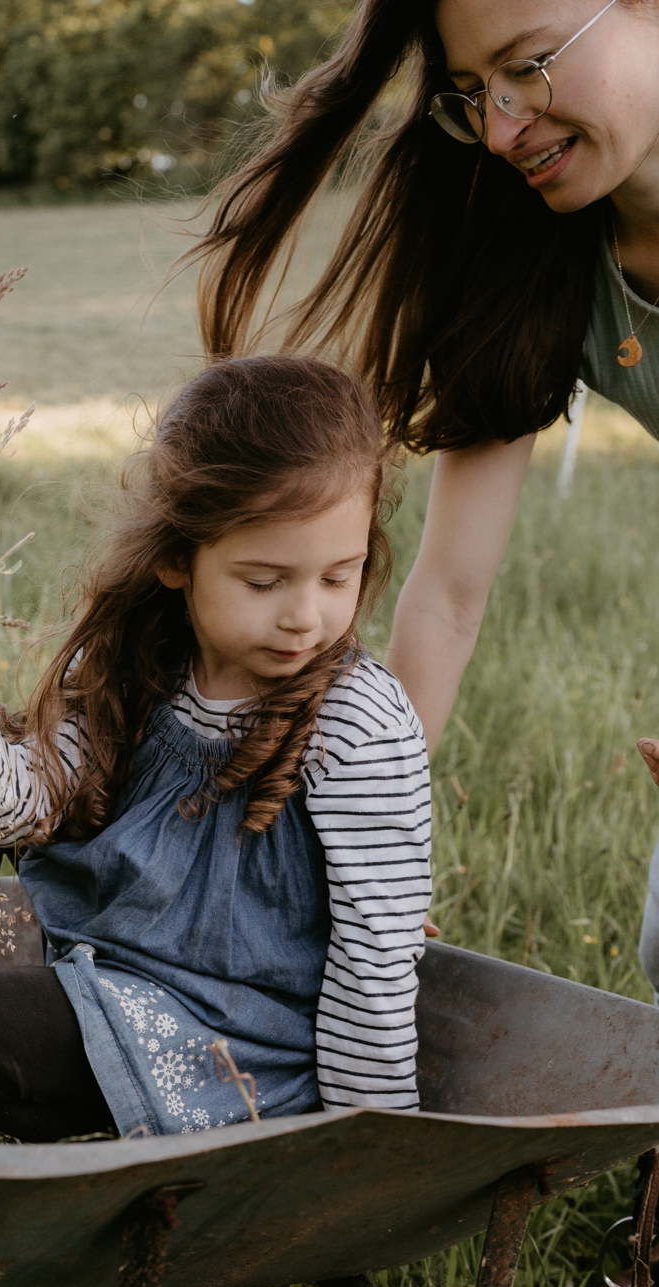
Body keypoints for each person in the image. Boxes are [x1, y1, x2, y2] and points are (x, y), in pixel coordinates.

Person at [0, 356, 431, 1143]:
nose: (305, 615)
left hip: (237, 1050)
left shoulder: (355, 721)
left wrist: (372, 1141)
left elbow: (376, 956)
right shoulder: (132, 667)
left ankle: (119, 1134)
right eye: (263, 582)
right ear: (174, 560)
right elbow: (13, 809)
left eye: (339, 576)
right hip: (103, 980)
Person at [188, 0, 659, 985]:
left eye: (527, 66)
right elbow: (446, 596)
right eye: (472, 94)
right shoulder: (540, 255)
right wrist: (352, 839)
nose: (500, 128)